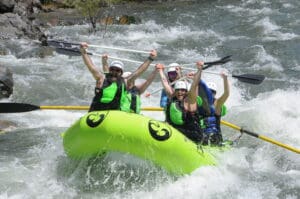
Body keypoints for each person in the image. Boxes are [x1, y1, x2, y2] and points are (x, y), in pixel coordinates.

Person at [80, 42, 157, 112]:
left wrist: (150, 59)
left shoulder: (125, 82)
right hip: (96, 113)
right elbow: (91, 67)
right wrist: (83, 52)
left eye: (117, 70)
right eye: (112, 69)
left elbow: (138, 72)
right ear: (109, 70)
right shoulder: (101, 79)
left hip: (114, 116)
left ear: (121, 73)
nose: (114, 72)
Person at [156, 61, 205, 143]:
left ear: (186, 92)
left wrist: (199, 69)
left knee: (169, 128)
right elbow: (165, 83)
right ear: (175, 91)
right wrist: (160, 71)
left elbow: (195, 84)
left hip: (193, 135)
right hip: (176, 133)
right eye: (178, 90)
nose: (180, 92)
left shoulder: (190, 101)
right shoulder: (172, 96)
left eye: (182, 90)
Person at [198, 72, 230, 145]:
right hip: (201, 134)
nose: (210, 94)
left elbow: (226, 93)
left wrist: (225, 79)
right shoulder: (199, 102)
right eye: (208, 91)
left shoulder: (217, 104)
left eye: (212, 92)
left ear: (215, 94)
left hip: (214, 137)